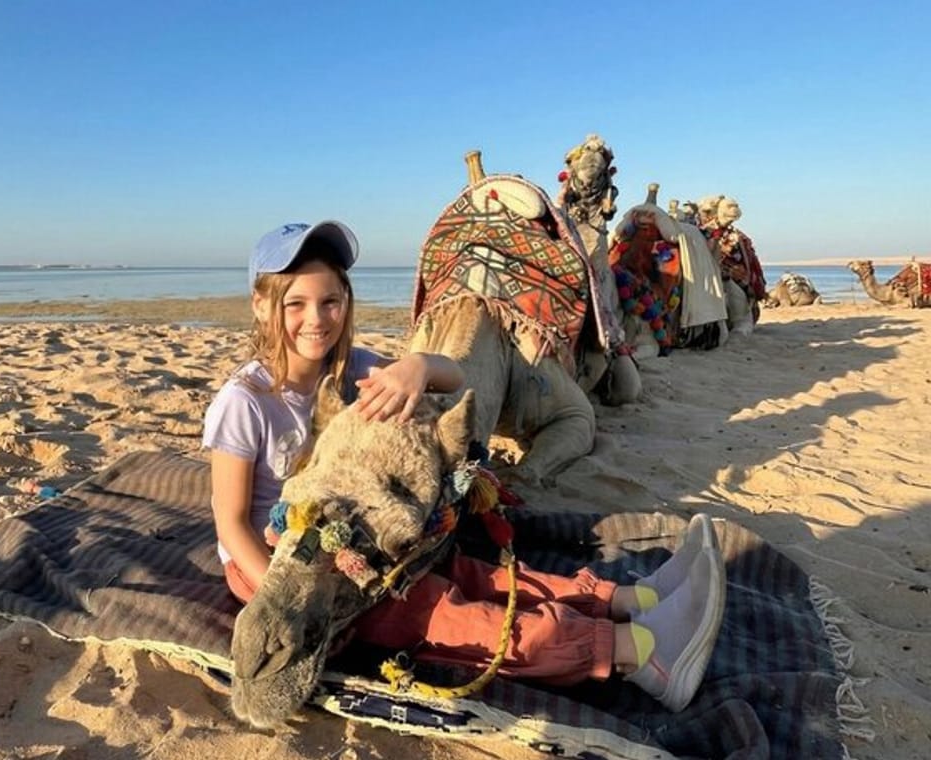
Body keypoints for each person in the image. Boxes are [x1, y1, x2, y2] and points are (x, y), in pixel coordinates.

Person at [203, 220, 726, 712]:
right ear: (261, 304)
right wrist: (285, 594)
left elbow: (453, 378)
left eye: (330, 301)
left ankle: (631, 598)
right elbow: (230, 521)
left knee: (472, 573)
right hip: (278, 565)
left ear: (346, 302)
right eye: (295, 303)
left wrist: (417, 366)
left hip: (364, 542)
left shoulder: (356, 368)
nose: (316, 319)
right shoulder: (245, 400)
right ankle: (640, 650)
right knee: (440, 612)